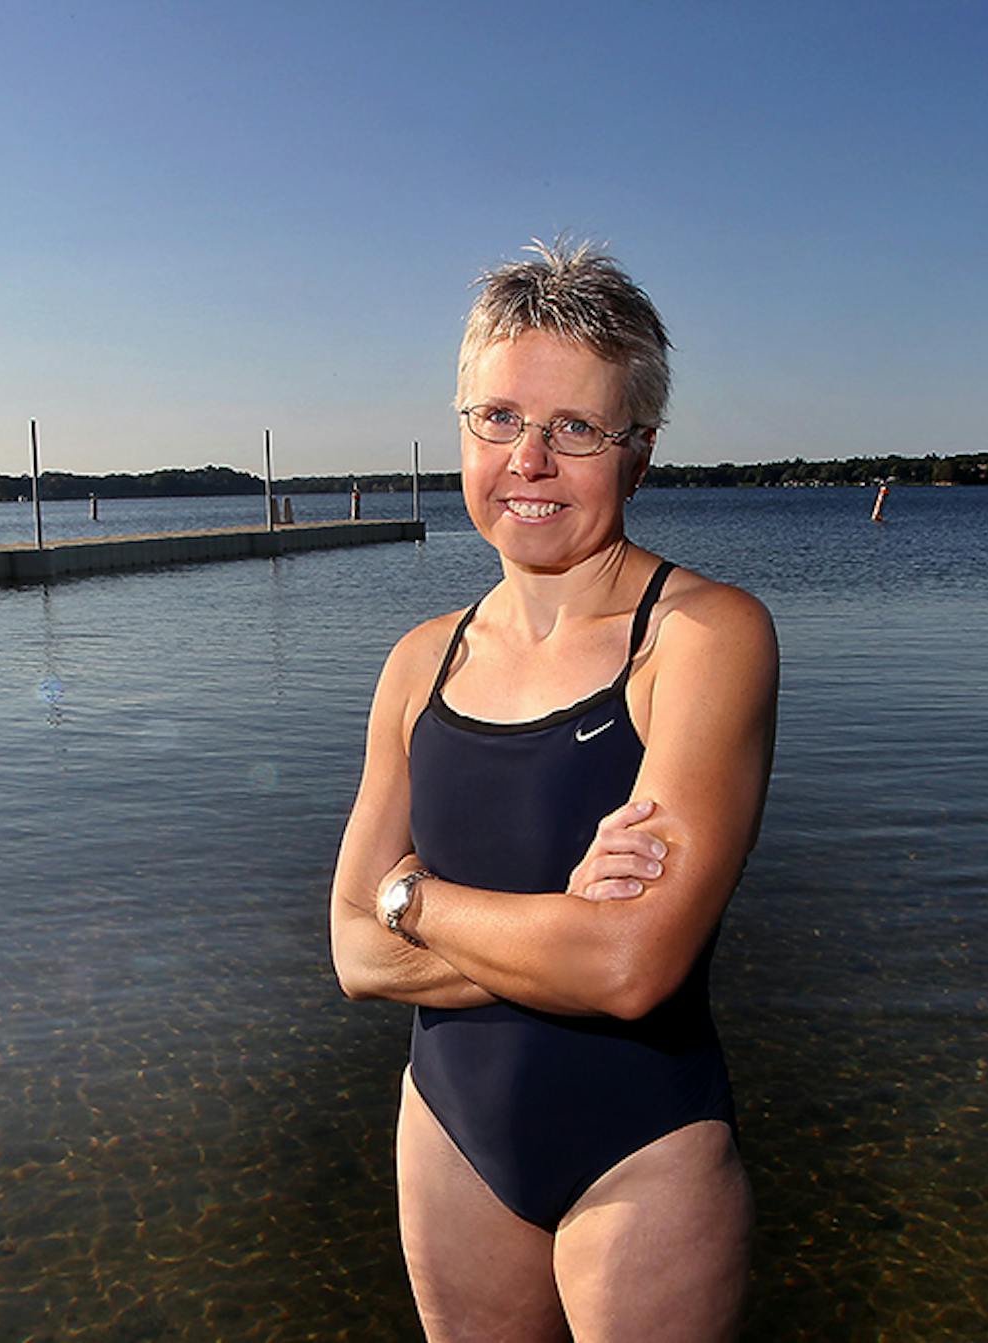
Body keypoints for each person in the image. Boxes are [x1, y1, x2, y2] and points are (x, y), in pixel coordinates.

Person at [329, 240, 777, 1343]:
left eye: (576, 428)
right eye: (497, 418)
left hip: (642, 1150)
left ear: (640, 454)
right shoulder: (416, 663)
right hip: (448, 1134)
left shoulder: (701, 638)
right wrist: (557, 924)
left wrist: (419, 900)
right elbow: (350, 952)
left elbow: (631, 967)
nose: (528, 458)